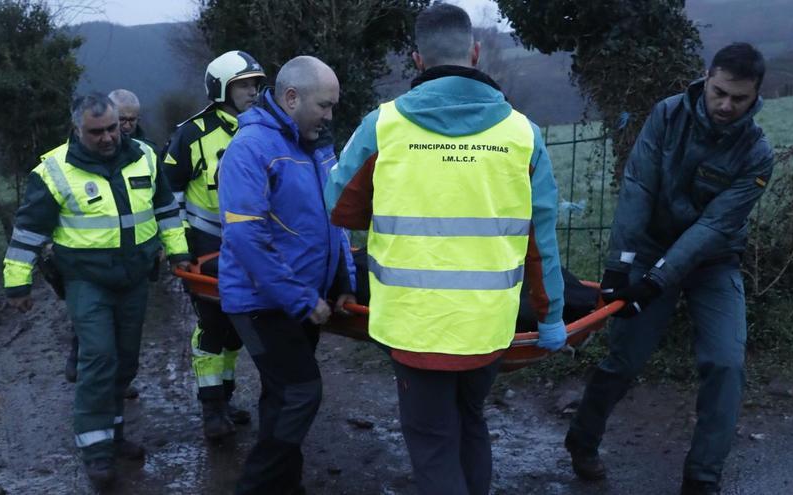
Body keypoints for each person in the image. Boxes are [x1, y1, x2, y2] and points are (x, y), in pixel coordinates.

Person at [325, 4, 567, 494]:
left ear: (417, 60)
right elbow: (541, 240)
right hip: (487, 327)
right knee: (471, 421)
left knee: (432, 443)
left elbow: (338, 205)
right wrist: (550, 316)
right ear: (475, 53)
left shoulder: (382, 126)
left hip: (413, 326)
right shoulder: (523, 135)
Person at [563, 43, 773, 495]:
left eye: (739, 99)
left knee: (725, 362)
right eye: (719, 92)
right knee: (625, 356)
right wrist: (620, 268)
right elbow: (638, 185)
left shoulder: (757, 154)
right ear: (706, 77)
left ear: (755, 97)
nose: (726, 105)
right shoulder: (667, 115)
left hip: (712, 261)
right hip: (648, 246)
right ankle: (582, 440)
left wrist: (658, 281)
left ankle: (702, 478)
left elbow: (715, 226)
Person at [2, 92, 190, 487]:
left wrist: (179, 254)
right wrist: (17, 282)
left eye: (112, 128)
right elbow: (28, 232)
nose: (108, 138)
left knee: (126, 360)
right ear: (77, 129)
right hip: (87, 282)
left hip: (135, 279)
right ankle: (96, 450)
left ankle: (114, 434)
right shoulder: (54, 171)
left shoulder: (144, 156)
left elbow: (166, 212)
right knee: (98, 359)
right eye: (96, 132)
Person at [217, 55, 355, 494]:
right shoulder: (250, 149)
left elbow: (335, 221)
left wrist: (344, 281)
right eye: (324, 105)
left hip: (302, 297)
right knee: (301, 392)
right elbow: (246, 238)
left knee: (281, 396)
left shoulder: (318, 146)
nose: (330, 115)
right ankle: (257, 486)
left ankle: (284, 485)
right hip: (259, 304)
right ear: (291, 98)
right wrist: (300, 298)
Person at [160, 50, 265, 439]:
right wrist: (180, 244)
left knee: (239, 327)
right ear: (221, 88)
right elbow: (167, 194)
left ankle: (226, 396)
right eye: (244, 85)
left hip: (250, 243)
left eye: (256, 83)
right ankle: (211, 410)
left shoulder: (264, 127)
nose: (253, 91)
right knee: (212, 324)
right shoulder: (192, 133)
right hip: (206, 243)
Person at [63, 88, 154, 398]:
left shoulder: (144, 153)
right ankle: (82, 363)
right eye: (122, 119)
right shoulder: (72, 157)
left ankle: (116, 389)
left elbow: (160, 203)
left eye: (130, 120)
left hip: (132, 264)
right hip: (90, 268)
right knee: (95, 332)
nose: (125, 126)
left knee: (124, 338)